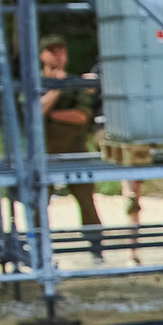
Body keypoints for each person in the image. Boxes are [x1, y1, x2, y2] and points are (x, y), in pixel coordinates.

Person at [35, 34, 106, 259]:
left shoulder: (76, 82)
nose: (58, 56)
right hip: (43, 153)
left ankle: (96, 249)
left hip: (75, 151)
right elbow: (31, 114)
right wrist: (55, 90)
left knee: (86, 201)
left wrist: (49, 113)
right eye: (52, 51)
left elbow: (82, 115)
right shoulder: (33, 82)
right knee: (39, 204)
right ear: (42, 55)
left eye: (61, 51)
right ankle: (39, 251)